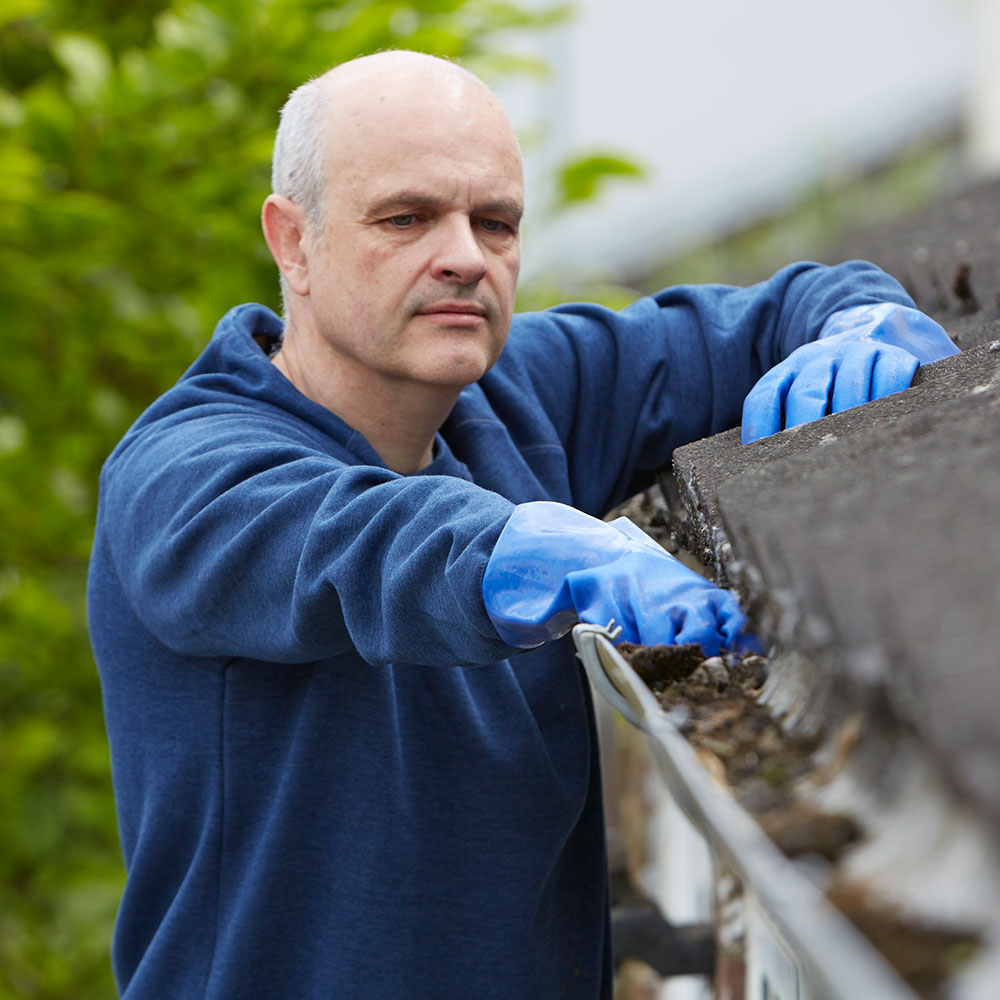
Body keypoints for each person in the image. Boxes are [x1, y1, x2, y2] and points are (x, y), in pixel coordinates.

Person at [87, 50, 958, 999]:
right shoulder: (183, 478)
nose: (464, 253)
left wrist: (863, 316)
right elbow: (351, 539)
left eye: (493, 221)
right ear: (293, 242)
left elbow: (769, 315)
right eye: (407, 218)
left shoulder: (518, 400)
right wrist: (520, 548)